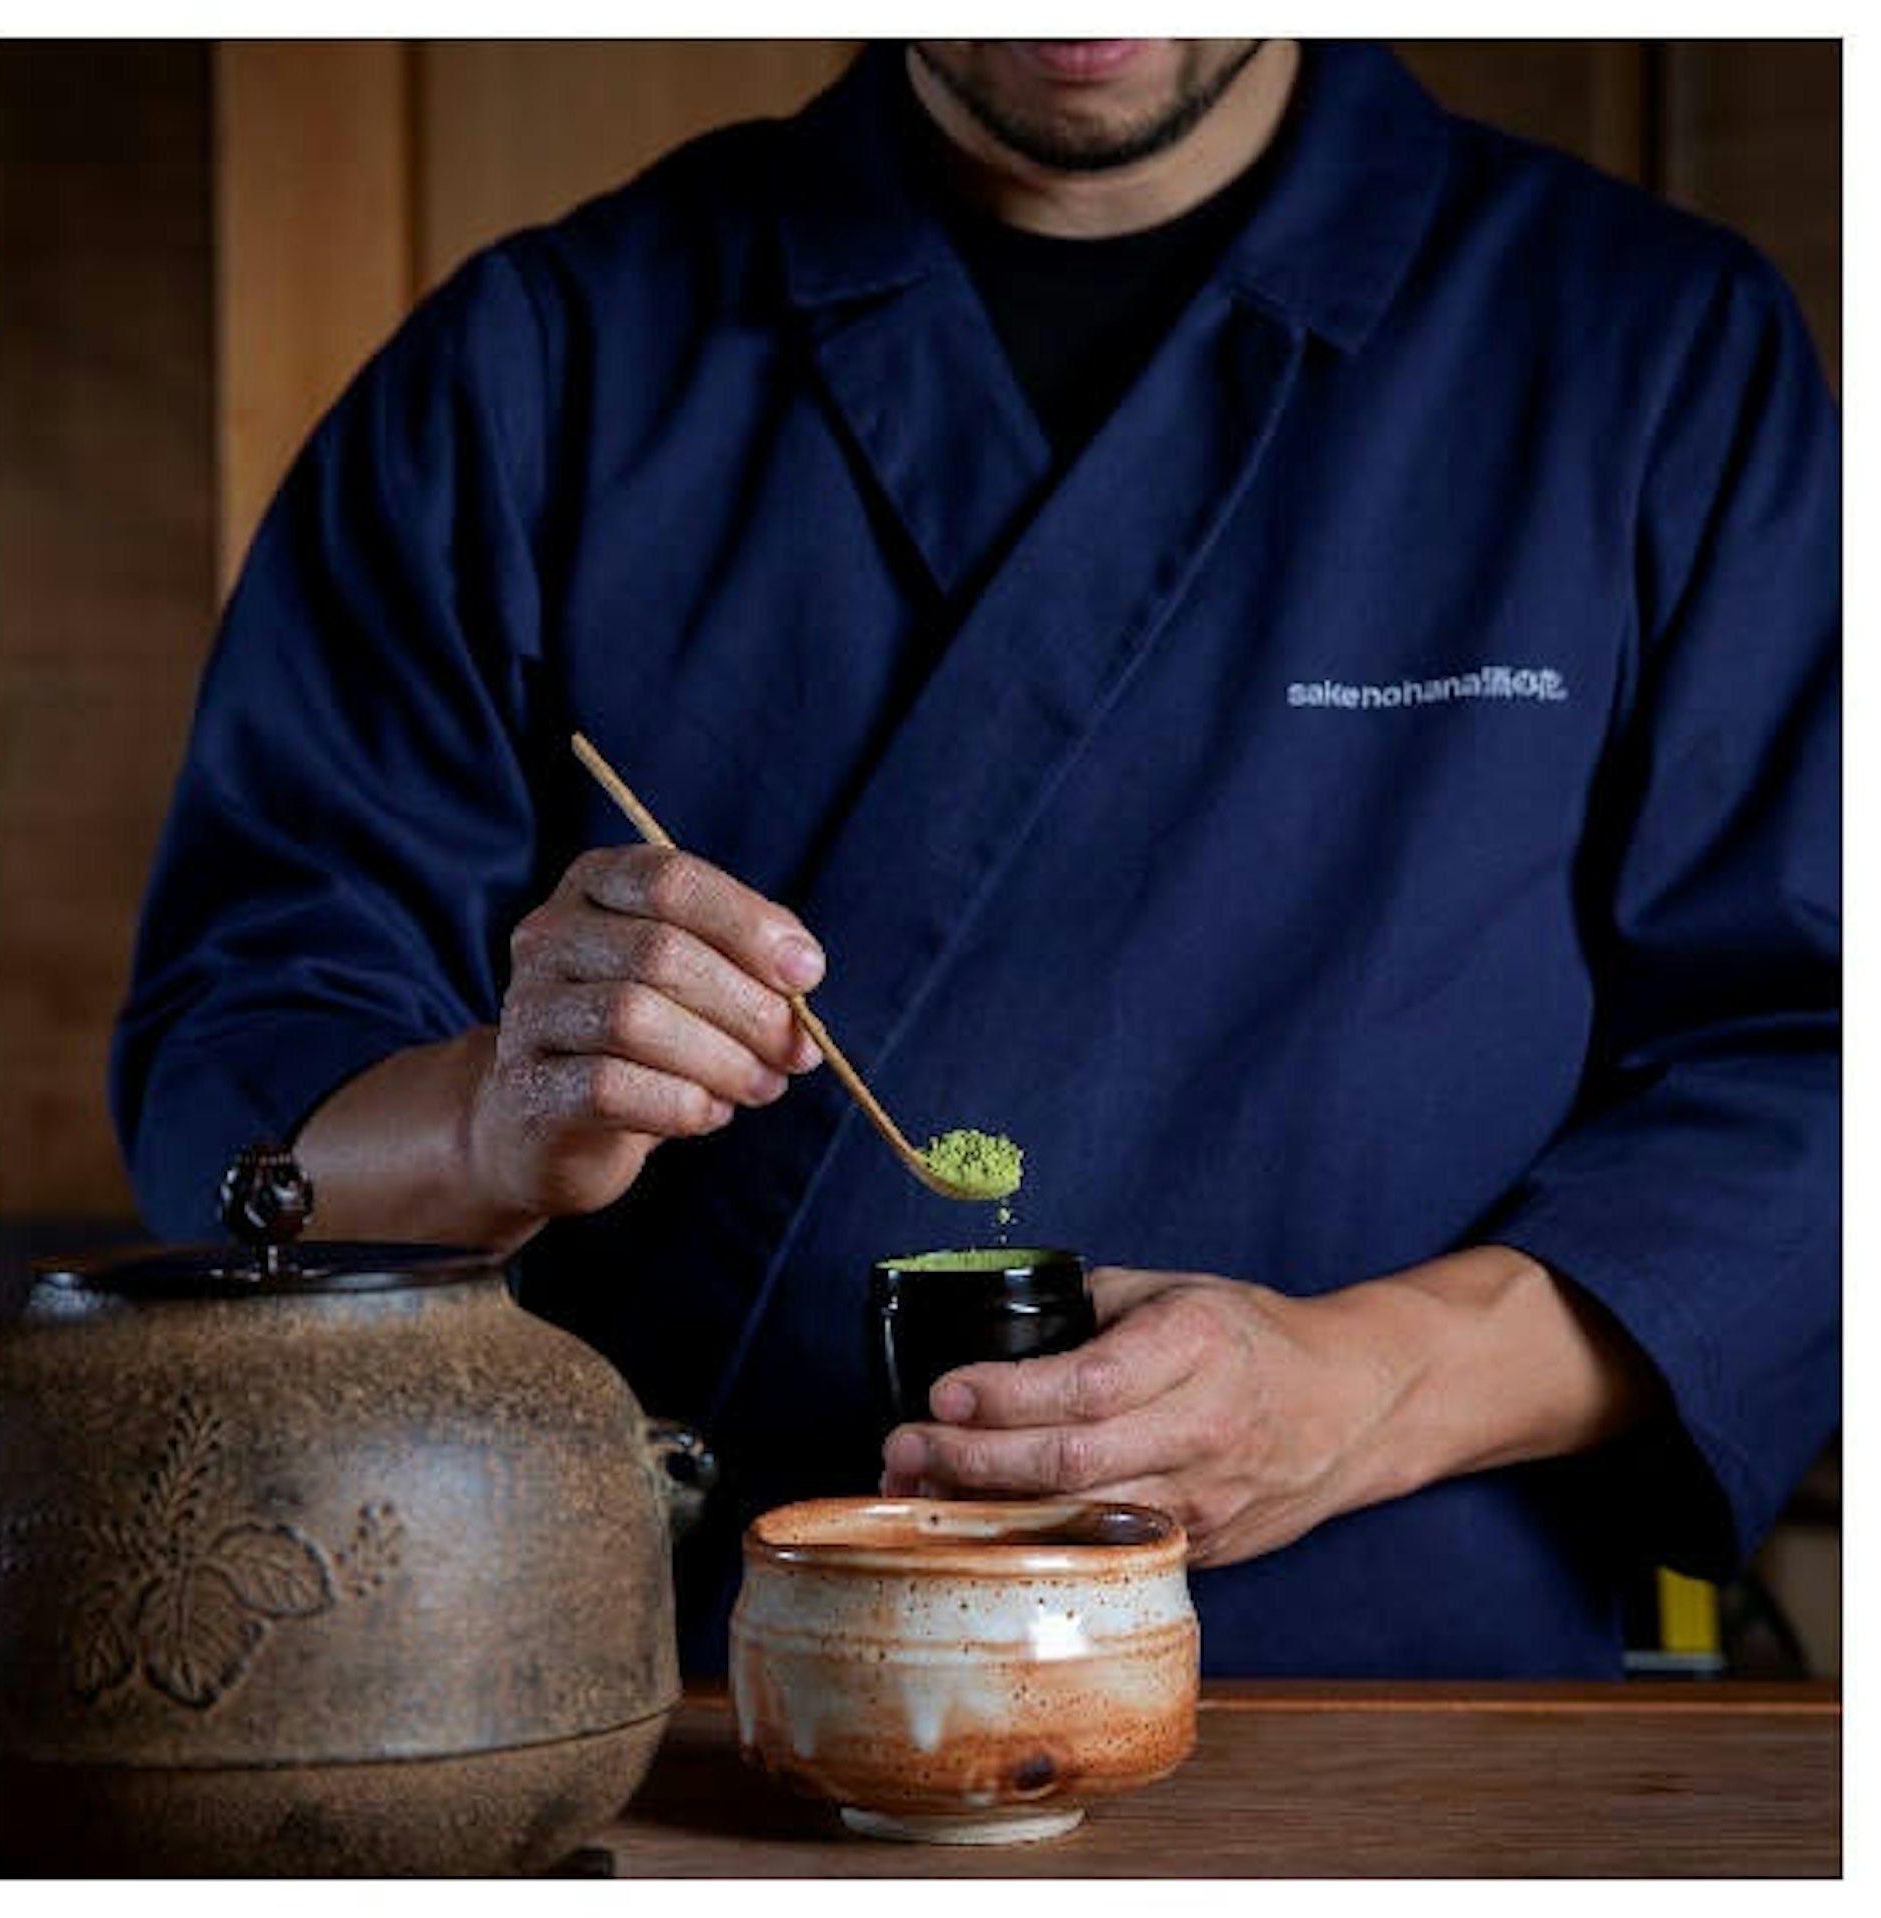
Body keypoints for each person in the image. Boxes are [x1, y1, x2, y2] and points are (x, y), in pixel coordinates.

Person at [114, 40, 1833, 1676]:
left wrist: (1365, 1386)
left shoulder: (1650, 349)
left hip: (1409, 1710)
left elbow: (1817, 1077)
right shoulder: (541, 366)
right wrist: (494, 1119)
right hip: (675, 1706)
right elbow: (247, 1092)